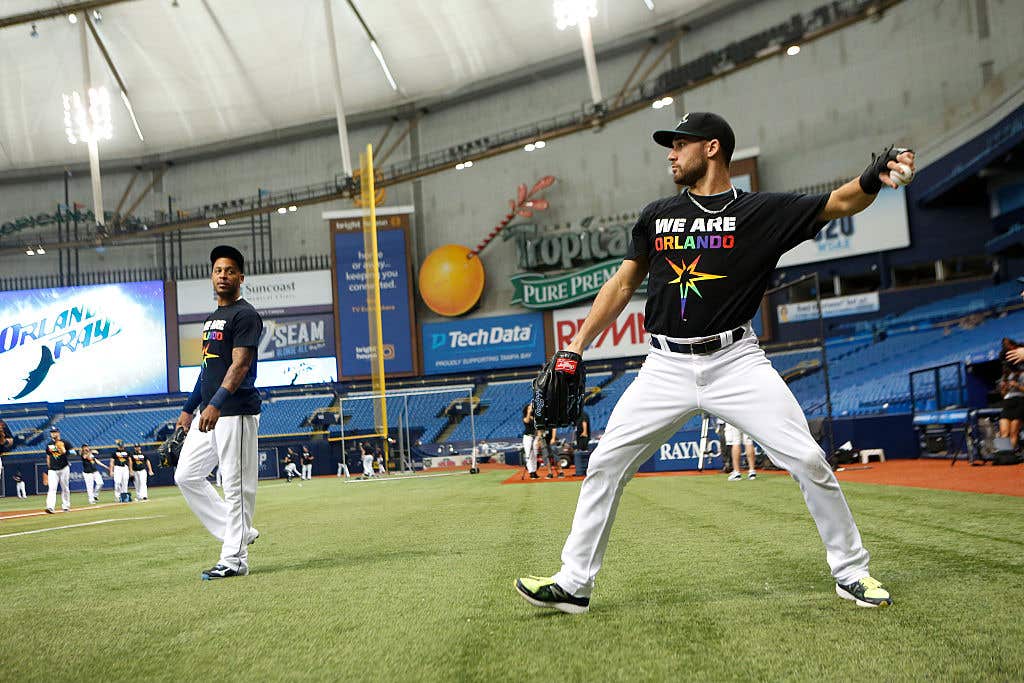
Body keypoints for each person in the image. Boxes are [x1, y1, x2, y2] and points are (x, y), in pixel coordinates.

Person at [515, 113, 911, 613]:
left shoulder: (760, 213)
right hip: (663, 366)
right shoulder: (657, 214)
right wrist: (574, 346)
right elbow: (621, 285)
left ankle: (852, 571)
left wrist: (875, 174)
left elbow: (840, 201)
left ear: (712, 148)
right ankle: (574, 583)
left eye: (679, 145)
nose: (670, 154)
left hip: (736, 361)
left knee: (809, 459)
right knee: (605, 463)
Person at [173, 245, 263, 581]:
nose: (222, 275)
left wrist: (216, 403)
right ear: (211, 276)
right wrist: (188, 409)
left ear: (241, 276)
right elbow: (207, 369)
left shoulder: (245, 315)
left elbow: (240, 365)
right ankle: (239, 531)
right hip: (209, 413)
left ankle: (235, 559)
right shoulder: (213, 318)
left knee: (237, 487)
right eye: (217, 270)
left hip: (235, 411)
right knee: (187, 476)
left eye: (229, 270)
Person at [997, 337, 1024, 451]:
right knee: (1003, 432)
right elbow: (1003, 395)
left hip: (1020, 402)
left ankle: (1010, 455)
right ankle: (1002, 454)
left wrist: (1017, 385)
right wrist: (1003, 388)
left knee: (1013, 432)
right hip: (1008, 402)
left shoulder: (1023, 374)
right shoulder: (1006, 374)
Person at [45, 427, 73, 513]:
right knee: (52, 488)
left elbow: (73, 452)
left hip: (64, 468)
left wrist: (65, 452)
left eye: (55, 432)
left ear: (58, 433)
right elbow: (49, 456)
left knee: (65, 488)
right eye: (52, 432)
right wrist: (49, 466)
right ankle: (50, 507)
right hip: (53, 469)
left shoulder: (65, 442)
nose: (53, 434)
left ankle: (66, 506)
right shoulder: (50, 444)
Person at [522, 403, 539, 479]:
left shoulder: (535, 417)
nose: (531, 409)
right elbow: (527, 421)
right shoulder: (525, 417)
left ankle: (534, 471)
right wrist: (528, 412)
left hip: (534, 437)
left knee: (534, 454)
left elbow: (537, 428)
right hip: (528, 437)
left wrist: (538, 438)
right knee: (528, 454)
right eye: (529, 408)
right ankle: (531, 472)